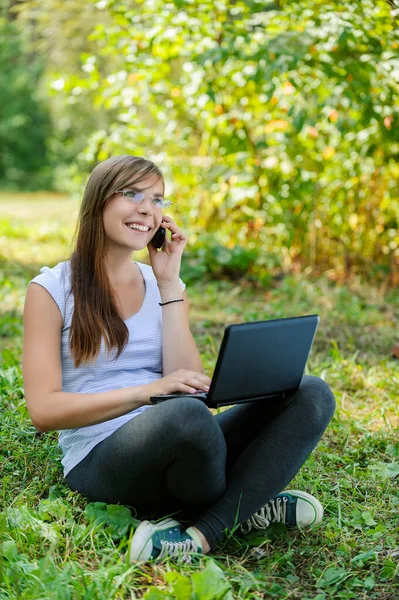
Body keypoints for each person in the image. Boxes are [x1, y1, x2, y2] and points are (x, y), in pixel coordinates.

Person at [22, 155, 336, 563]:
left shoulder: (163, 283)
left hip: (183, 440)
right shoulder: (51, 290)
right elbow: (43, 411)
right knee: (187, 416)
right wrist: (147, 393)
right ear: (98, 201)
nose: (147, 210)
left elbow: (188, 380)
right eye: (132, 194)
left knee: (311, 391)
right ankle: (248, 503)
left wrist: (169, 283)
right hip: (102, 456)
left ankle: (202, 535)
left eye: (157, 199)